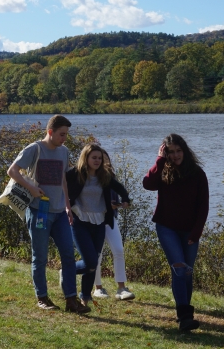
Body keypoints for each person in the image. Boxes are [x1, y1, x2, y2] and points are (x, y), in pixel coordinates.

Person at [7, 114, 89, 313]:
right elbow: (13, 171)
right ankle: (42, 297)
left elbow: (63, 179)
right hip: (39, 212)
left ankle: (71, 300)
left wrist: (68, 206)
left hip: (60, 212)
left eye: (66, 135)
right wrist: (32, 189)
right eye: (61, 134)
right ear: (50, 132)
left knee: (68, 256)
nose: (64, 138)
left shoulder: (64, 151)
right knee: (40, 257)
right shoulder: (34, 149)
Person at [143, 133, 209, 331]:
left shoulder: (198, 173)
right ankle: (184, 317)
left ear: (185, 151)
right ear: (165, 154)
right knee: (180, 269)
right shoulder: (163, 171)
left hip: (190, 231)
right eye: (170, 152)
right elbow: (148, 184)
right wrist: (159, 160)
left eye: (178, 151)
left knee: (186, 273)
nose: (175, 155)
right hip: (166, 227)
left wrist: (196, 232)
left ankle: (185, 314)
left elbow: (203, 206)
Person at [65, 144, 131, 310]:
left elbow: (120, 188)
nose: (97, 160)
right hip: (80, 221)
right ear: (85, 157)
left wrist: (125, 199)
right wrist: (65, 206)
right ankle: (67, 270)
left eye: (99, 158)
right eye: (93, 157)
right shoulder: (75, 174)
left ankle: (84, 300)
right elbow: (61, 185)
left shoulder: (104, 176)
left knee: (93, 263)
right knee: (91, 261)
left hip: (100, 222)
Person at [92, 150, 136, 301]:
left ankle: (121, 288)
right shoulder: (89, 177)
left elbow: (116, 197)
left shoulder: (110, 177)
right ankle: (98, 288)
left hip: (110, 220)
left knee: (118, 250)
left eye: (105, 159)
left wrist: (120, 204)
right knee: (96, 255)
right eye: (97, 159)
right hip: (93, 220)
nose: (103, 162)